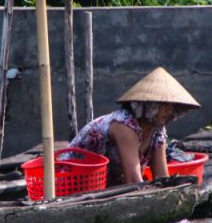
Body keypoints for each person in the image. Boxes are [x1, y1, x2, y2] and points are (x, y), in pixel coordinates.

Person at [68, 67, 199, 186]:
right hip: (73, 182)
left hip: (106, 187)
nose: (169, 111)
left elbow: (161, 176)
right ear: (148, 105)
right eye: (163, 105)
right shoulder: (124, 126)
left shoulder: (157, 131)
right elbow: (134, 181)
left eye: (171, 106)